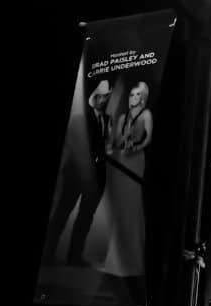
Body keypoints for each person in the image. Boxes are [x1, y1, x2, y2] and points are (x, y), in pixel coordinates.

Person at [46, 78, 113, 266]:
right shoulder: (81, 117)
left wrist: (108, 141)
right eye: (101, 97)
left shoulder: (107, 120)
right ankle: (48, 254)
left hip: (96, 177)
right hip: (77, 174)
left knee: (86, 218)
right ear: (95, 97)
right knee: (62, 213)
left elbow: (107, 149)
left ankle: (74, 256)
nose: (104, 100)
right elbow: (77, 146)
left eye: (107, 97)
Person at [98, 82, 153, 286]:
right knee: (120, 209)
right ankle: (115, 263)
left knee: (132, 208)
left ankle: (133, 263)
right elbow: (118, 139)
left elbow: (148, 139)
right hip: (121, 161)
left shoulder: (146, 115)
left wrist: (135, 145)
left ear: (143, 97)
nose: (132, 96)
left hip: (136, 160)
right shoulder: (122, 117)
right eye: (131, 93)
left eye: (137, 94)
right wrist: (116, 144)